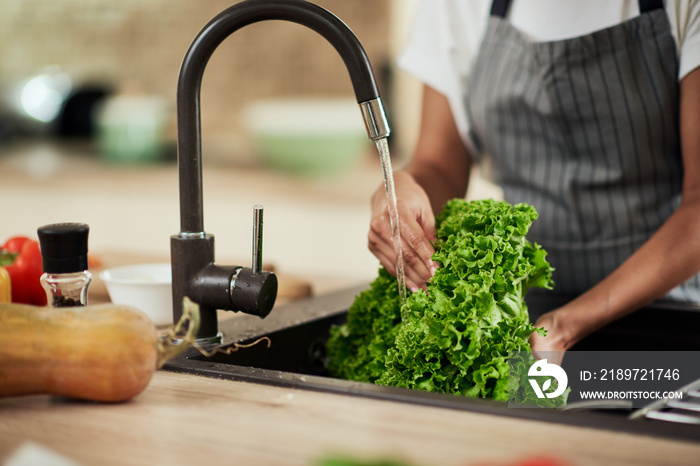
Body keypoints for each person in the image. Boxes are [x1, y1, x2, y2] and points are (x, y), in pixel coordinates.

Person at [368, 0, 700, 360]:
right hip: (529, 323)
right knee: (527, 411)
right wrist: (402, 187)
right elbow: (439, 166)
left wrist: (564, 326)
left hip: (671, 317)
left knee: (644, 408)